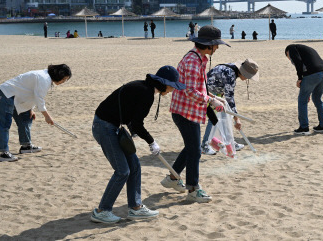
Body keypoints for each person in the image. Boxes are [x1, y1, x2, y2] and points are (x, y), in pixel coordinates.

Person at [91, 66, 184, 223]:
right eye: (172, 86)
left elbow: (129, 112)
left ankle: (135, 208)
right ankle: (101, 211)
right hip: (104, 127)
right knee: (122, 171)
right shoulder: (146, 93)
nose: (172, 90)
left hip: (111, 125)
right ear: (163, 83)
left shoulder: (144, 87)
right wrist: (151, 142)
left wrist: (133, 130)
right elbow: (138, 123)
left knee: (134, 167)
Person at [166, 25, 229, 203]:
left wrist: (214, 97)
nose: (217, 48)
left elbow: (197, 88)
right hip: (185, 112)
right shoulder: (193, 61)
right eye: (215, 45)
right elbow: (191, 91)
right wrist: (211, 101)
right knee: (195, 151)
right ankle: (193, 188)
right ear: (208, 45)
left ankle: (172, 178)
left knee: (191, 148)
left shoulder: (197, 57)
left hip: (186, 110)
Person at [0, 64, 71, 162]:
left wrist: (30, 109)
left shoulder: (47, 78)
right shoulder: (44, 78)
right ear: (59, 75)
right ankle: (4, 152)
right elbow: (40, 99)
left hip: (18, 97)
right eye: (64, 79)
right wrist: (47, 116)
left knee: (27, 117)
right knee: (4, 124)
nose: (63, 82)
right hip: (5, 94)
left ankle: (26, 146)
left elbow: (32, 94)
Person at [201, 59, 260, 155]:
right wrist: (237, 119)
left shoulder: (232, 69)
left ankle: (230, 142)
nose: (247, 79)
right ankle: (204, 145)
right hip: (208, 93)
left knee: (224, 117)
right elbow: (230, 100)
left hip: (216, 93)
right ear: (243, 73)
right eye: (248, 76)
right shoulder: (230, 75)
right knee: (213, 119)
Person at [285, 44, 323, 135]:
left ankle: (304, 128)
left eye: (288, 57)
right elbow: (309, 63)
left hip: (312, 74)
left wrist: (299, 78)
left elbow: (298, 62)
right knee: (317, 99)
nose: (290, 60)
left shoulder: (291, 49)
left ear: (287, 53)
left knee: (302, 100)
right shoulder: (307, 49)